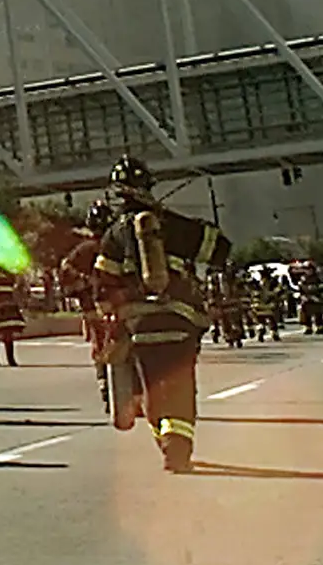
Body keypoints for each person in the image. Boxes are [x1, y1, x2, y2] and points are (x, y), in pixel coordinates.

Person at [91, 157, 226, 475]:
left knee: (152, 388)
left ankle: (165, 441)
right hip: (180, 321)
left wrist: (114, 317)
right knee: (181, 385)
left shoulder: (113, 235)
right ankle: (177, 448)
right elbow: (219, 249)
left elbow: (101, 286)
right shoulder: (169, 223)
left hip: (141, 327)